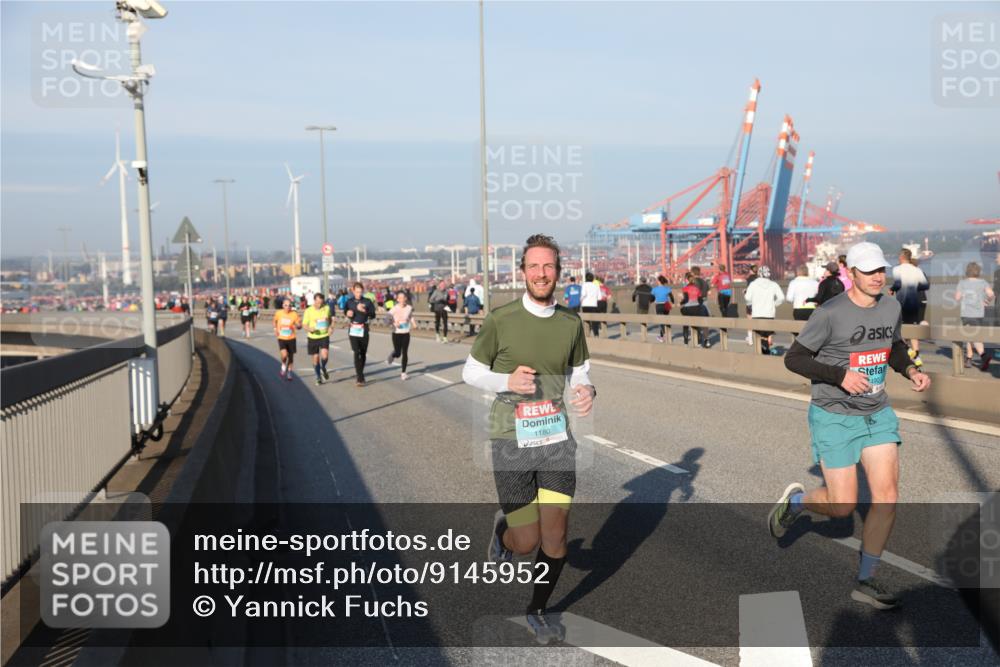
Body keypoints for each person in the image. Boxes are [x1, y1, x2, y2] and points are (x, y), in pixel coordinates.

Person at [770, 241, 931, 610]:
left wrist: (911, 370)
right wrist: (840, 375)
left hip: (876, 413)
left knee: (887, 496)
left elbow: (894, 347)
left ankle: (866, 580)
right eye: (869, 271)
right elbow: (794, 359)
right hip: (834, 415)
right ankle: (797, 503)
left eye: (881, 270)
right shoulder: (829, 313)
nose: (877, 277)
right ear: (852, 274)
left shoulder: (891, 306)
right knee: (842, 508)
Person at [461, 234, 596, 645]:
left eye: (549, 267)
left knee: (555, 536)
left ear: (558, 271)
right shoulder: (501, 320)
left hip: (556, 439)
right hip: (511, 439)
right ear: (522, 272)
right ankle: (504, 532)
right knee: (527, 542)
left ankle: (537, 609)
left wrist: (587, 390)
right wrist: (507, 380)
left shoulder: (571, 322)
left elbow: (581, 370)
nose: (541, 274)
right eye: (534, 267)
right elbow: (469, 371)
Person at [890, 248, 929, 362]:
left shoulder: (897, 269)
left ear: (901, 257)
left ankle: (909, 352)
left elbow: (897, 284)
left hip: (903, 302)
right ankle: (916, 354)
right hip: (916, 301)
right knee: (912, 328)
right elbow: (925, 285)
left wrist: (892, 289)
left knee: (900, 328)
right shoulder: (917, 271)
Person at [954, 262, 995, 369]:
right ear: (978, 271)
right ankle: (969, 358)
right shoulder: (983, 282)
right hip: (979, 313)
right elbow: (991, 294)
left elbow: (957, 298)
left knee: (969, 335)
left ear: (967, 271)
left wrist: (962, 295)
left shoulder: (962, 283)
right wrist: (986, 301)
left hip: (966, 313)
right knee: (976, 335)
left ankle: (982, 356)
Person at [744, 265, 785, 354]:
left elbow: (747, 298)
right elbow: (781, 298)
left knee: (759, 336)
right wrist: (773, 304)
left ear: (758, 274)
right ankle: (766, 349)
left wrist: (751, 305)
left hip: (757, 314)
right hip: (769, 314)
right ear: (768, 274)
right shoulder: (774, 284)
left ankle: (763, 354)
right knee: (766, 335)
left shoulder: (753, 284)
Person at [345, 282, 376, 386]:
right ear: (353, 291)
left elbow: (373, 315)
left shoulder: (367, 301)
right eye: (356, 292)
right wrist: (348, 313)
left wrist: (365, 310)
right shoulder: (349, 302)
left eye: (360, 292)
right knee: (356, 352)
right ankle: (360, 377)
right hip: (353, 328)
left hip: (364, 328)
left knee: (363, 353)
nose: (358, 294)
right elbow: (346, 311)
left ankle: (360, 372)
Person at [303, 293, 333, 385]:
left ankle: (323, 367)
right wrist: (309, 329)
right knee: (315, 359)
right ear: (314, 300)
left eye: (321, 302)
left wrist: (330, 327)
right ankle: (318, 377)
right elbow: (304, 324)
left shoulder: (326, 308)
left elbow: (329, 319)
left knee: (325, 356)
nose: (320, 304)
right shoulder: (308, 311)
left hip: (324, 336)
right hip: (313, 337)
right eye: (318, 302)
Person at [273, 297, 302, 382]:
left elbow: (298, 324)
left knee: (291, 356)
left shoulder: (294, 314)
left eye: (289, 306)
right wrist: (275, 329)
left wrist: (298, 326)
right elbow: (274, 321)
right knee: (284, 355)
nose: (287, 307)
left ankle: (289, 372)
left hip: (291, 338)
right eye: (286, 305)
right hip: (281, 337)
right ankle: (283, 365)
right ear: (283, 305)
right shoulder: (279, 313)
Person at [387, 291, 414, 380]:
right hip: (396, 333)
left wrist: (413, 323)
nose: (402, 300)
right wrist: (394, 323)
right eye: (400, 298)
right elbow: (386, 319)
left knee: (405, 352)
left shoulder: (409, 308)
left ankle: (403, 373)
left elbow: (410, 316)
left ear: (406, 298)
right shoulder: (394, 309)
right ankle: (393, 355)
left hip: (406, 332)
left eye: (404, 298)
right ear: (397, 299)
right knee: (398, 353)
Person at [680, 273, 704, 346]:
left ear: (687, 280)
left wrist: (680, 302)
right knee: (697, 325)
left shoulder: (685, 288)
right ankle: (699, 342)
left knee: (686, 325)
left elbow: (686, 300)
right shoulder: (697, 289)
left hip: (688, 308)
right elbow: (700, 300)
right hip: (696, 308)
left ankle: (686, 342)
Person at [651, 275, 674, 342]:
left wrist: (650, 301)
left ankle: (664, 336)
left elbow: (652, 298)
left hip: (659, 305)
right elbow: (671, 297)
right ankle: (664, 335)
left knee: (661, 321)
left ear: (659, 281)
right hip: (666, 305)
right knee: (666, 320)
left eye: (657, 280)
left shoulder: (654, 289)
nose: (656, 281)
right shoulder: (667, 288)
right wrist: (672, 303)